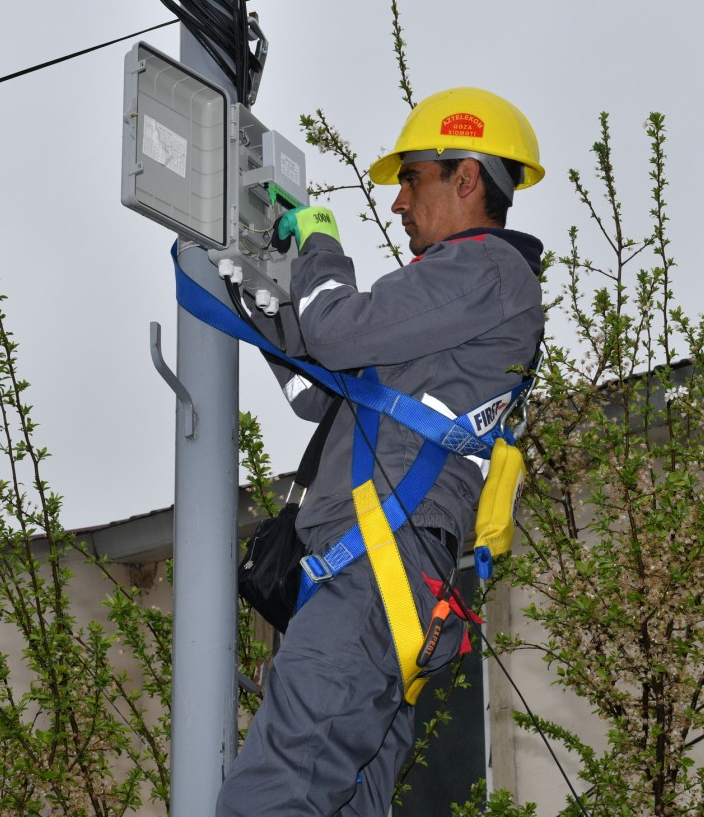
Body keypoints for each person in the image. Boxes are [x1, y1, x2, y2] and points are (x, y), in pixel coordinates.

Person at [216, 87, 546, 816]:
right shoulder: (451, 298)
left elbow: (336, 330)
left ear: (466, 177)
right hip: (381, 575)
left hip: (373, 572)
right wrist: (266, 303)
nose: (398, 202)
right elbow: (323, 393)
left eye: (412, 177)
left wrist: (320, 245)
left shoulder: (487, 270)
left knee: (273, 796)